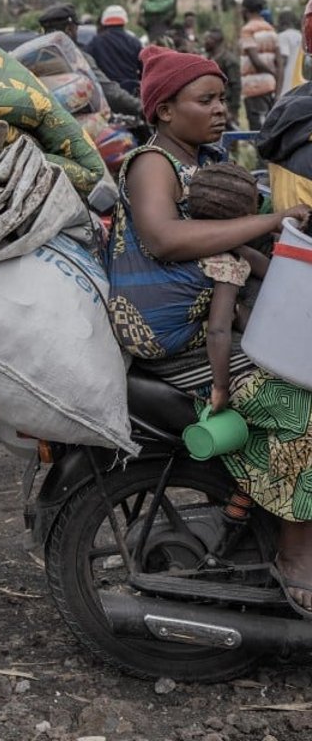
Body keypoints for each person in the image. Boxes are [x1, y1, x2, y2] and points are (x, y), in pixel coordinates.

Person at [104, 45, 312, 614]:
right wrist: (271, 219)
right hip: (179, 345)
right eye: (207, 100)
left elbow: (235, 247)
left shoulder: (201, 164)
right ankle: (296, 554)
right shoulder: (154, 163)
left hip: (205, 333)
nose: (222, 110)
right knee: (299, 407)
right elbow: (164, 238)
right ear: (164, 110)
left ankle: (262, 509)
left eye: (223, 98)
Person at [182, 163, 268, 411]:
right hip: (207, 345)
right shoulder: (227, 263)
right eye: (255, 204)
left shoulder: (187, 236)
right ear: (243, 218)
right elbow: (218, 331)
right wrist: (221, 387)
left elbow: (266, 267)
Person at [39, 2, 142, 118]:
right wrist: (141, 108)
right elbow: (108, 91)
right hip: (84, 121)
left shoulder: (35, 57)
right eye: (75, 29)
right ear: (69, 29)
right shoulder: (76, 57)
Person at [239, 0, 282, 129]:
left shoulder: (247, 30)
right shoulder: (271, 29)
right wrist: (278, 88)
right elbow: (280, 63)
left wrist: (272, 73)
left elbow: (255, 61)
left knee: (258, 130)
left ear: (244, 11)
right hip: (271, 87)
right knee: (270, 127)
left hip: (254, 87)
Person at [88, 4, 143, 95]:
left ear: (104, 21)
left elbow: (88, 66)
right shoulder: (134, 42)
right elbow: (144, 68)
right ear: (124, 21)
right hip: (132, 93)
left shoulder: (96, 42)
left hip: (107, 94)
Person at [203, 29, 244, 127]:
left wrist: (233, 112)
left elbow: (236, 86)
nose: (204, 42)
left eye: (207, 39)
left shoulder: (229, 60)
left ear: (214, 41)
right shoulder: (208, 59)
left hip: (227, 104)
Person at [277, 9, 303, 100]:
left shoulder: (283, 36)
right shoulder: (301, 36)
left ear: (282, 22)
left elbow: (283, 59)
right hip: (300, 82)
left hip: (286, 85)